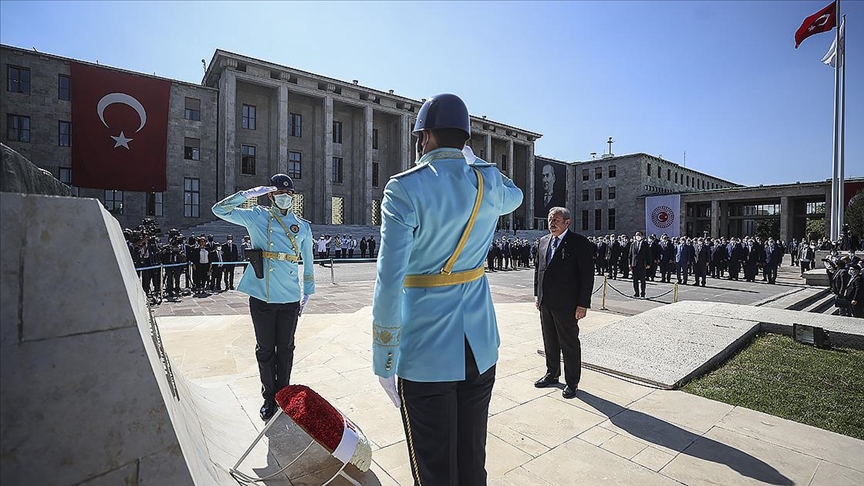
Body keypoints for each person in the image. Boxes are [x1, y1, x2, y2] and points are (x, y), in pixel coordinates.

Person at [372, 94, 523, 485]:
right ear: (466, 140)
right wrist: (473, 162)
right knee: (472, 462)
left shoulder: (404, 188)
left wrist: (385, 354)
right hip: (479, 346)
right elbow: (517, 194)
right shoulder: (488, 182)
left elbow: (389, 278)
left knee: (435, 468)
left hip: (426, 351)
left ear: (426, 138)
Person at [212, 173, 315, 421]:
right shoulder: (257, 216)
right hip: (262, 295)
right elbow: (220, 210)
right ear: (270, 195)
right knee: (265, 350)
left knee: (286, 349)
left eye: (288, 195)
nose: (284, 198)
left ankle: (284, 395)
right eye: (279, 194)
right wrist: (249, 194)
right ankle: (269, 398)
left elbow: (309, 263)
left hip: (289, 296)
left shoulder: (302, 226)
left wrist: (308, 292)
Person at [535, 206, 594, 399]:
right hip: (546, 302)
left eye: (556, 220)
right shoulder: (543, 242)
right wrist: (538, 295)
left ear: (567, 222)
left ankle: (572, 381)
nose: (552, 224)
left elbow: (587, 276)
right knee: (549, 340)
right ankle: (552, 373)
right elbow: (539, 271)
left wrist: (582, 304)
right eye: (550, 220)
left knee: (568, 343)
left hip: (567, 304)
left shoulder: (579, 243)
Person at [630, 230, 650, 298]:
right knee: (635, 280)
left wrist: (648, 263)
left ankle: (643, 293)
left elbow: (648, 254)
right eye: (636, 235)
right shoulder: (633, 244)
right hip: (634, 264)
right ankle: (636, 293)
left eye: (639, 235)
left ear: (642, 236)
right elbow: (630, 255)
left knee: (642, 280)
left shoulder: (645, 244)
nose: (637, 236)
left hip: (642, 264)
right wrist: (630, 264)